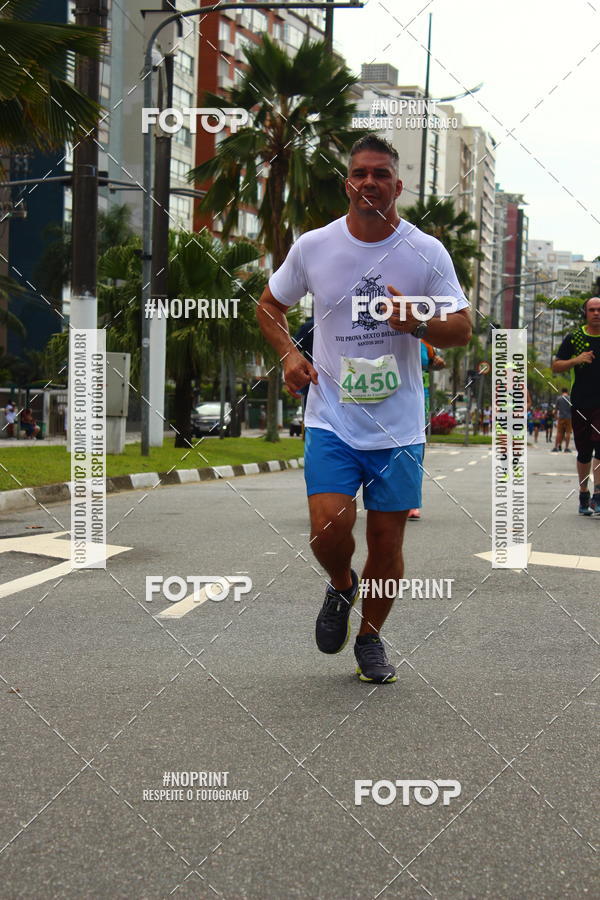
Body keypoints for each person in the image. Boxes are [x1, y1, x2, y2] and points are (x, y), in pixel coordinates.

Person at [257, 134, 471, 683]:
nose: (369, 182)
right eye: (360, 173)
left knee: (386, 541)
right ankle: (342, 584)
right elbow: (270, 305)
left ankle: (371, 639)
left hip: (397, 425)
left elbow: (462, 329)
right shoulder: (314, 246)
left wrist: (417, 323)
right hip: (332, 415)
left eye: (381, 174)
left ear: (398, 186)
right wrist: (288, 355)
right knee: (328, 528)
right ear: (348, 183)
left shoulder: (427, 251)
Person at [551, 296, 600, 516]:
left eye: (599, 310)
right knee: (584, 452)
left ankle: (598, 495)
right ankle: (583, 493)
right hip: (580, 403)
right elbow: (556, 366)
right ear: (585, 313)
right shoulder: (575, 338)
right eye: (592, 310)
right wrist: (576, 360)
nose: (596, 313)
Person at [408, 340, 445, 520]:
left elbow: (433, 361)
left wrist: (437, 363)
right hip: (386, 395)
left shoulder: (425, 340)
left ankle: (411, 502)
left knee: (415, 448)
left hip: (419, 396)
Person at [552, 388, 572, 453]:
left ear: (562, 391)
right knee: (568, 433)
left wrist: (555, 417)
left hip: (561, 417)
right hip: (569, 418)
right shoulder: (570, 398)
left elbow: (556, 409)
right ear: (567, 391)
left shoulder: (559, 398)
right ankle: (566, 448)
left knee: (559, 433)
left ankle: (555, 447)